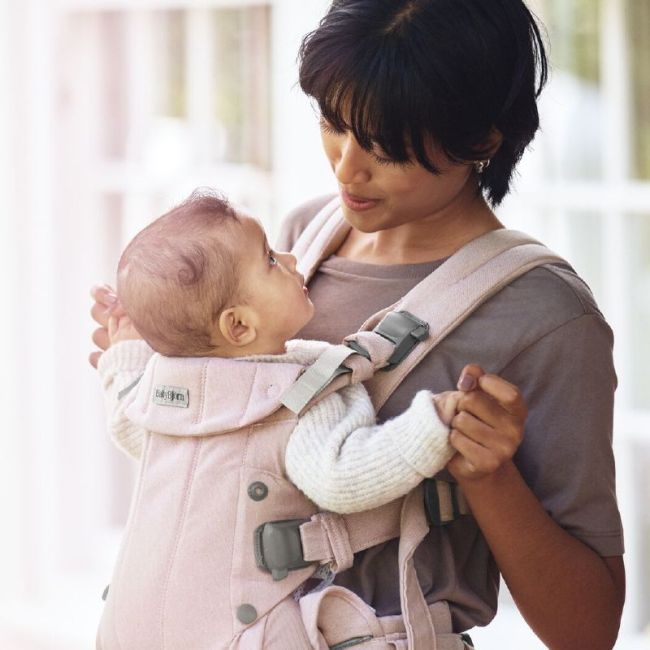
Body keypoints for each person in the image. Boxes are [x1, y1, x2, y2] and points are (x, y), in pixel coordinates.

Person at [91, 0, 625, 647]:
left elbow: (587, 630)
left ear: (482, 138)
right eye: (333, 122)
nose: (347, 168)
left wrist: (490, 476)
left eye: (384, 146)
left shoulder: (548, 320)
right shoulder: (299, 243)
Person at [95, 189, 472, 649]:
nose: (292, 258)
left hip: (126, 631)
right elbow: (340, 476)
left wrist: (125, 352)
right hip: (245, 636)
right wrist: (430, 427)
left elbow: (125, 414)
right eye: (270, 260)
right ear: (239, 327)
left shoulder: (161, 395)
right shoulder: (298, 397)